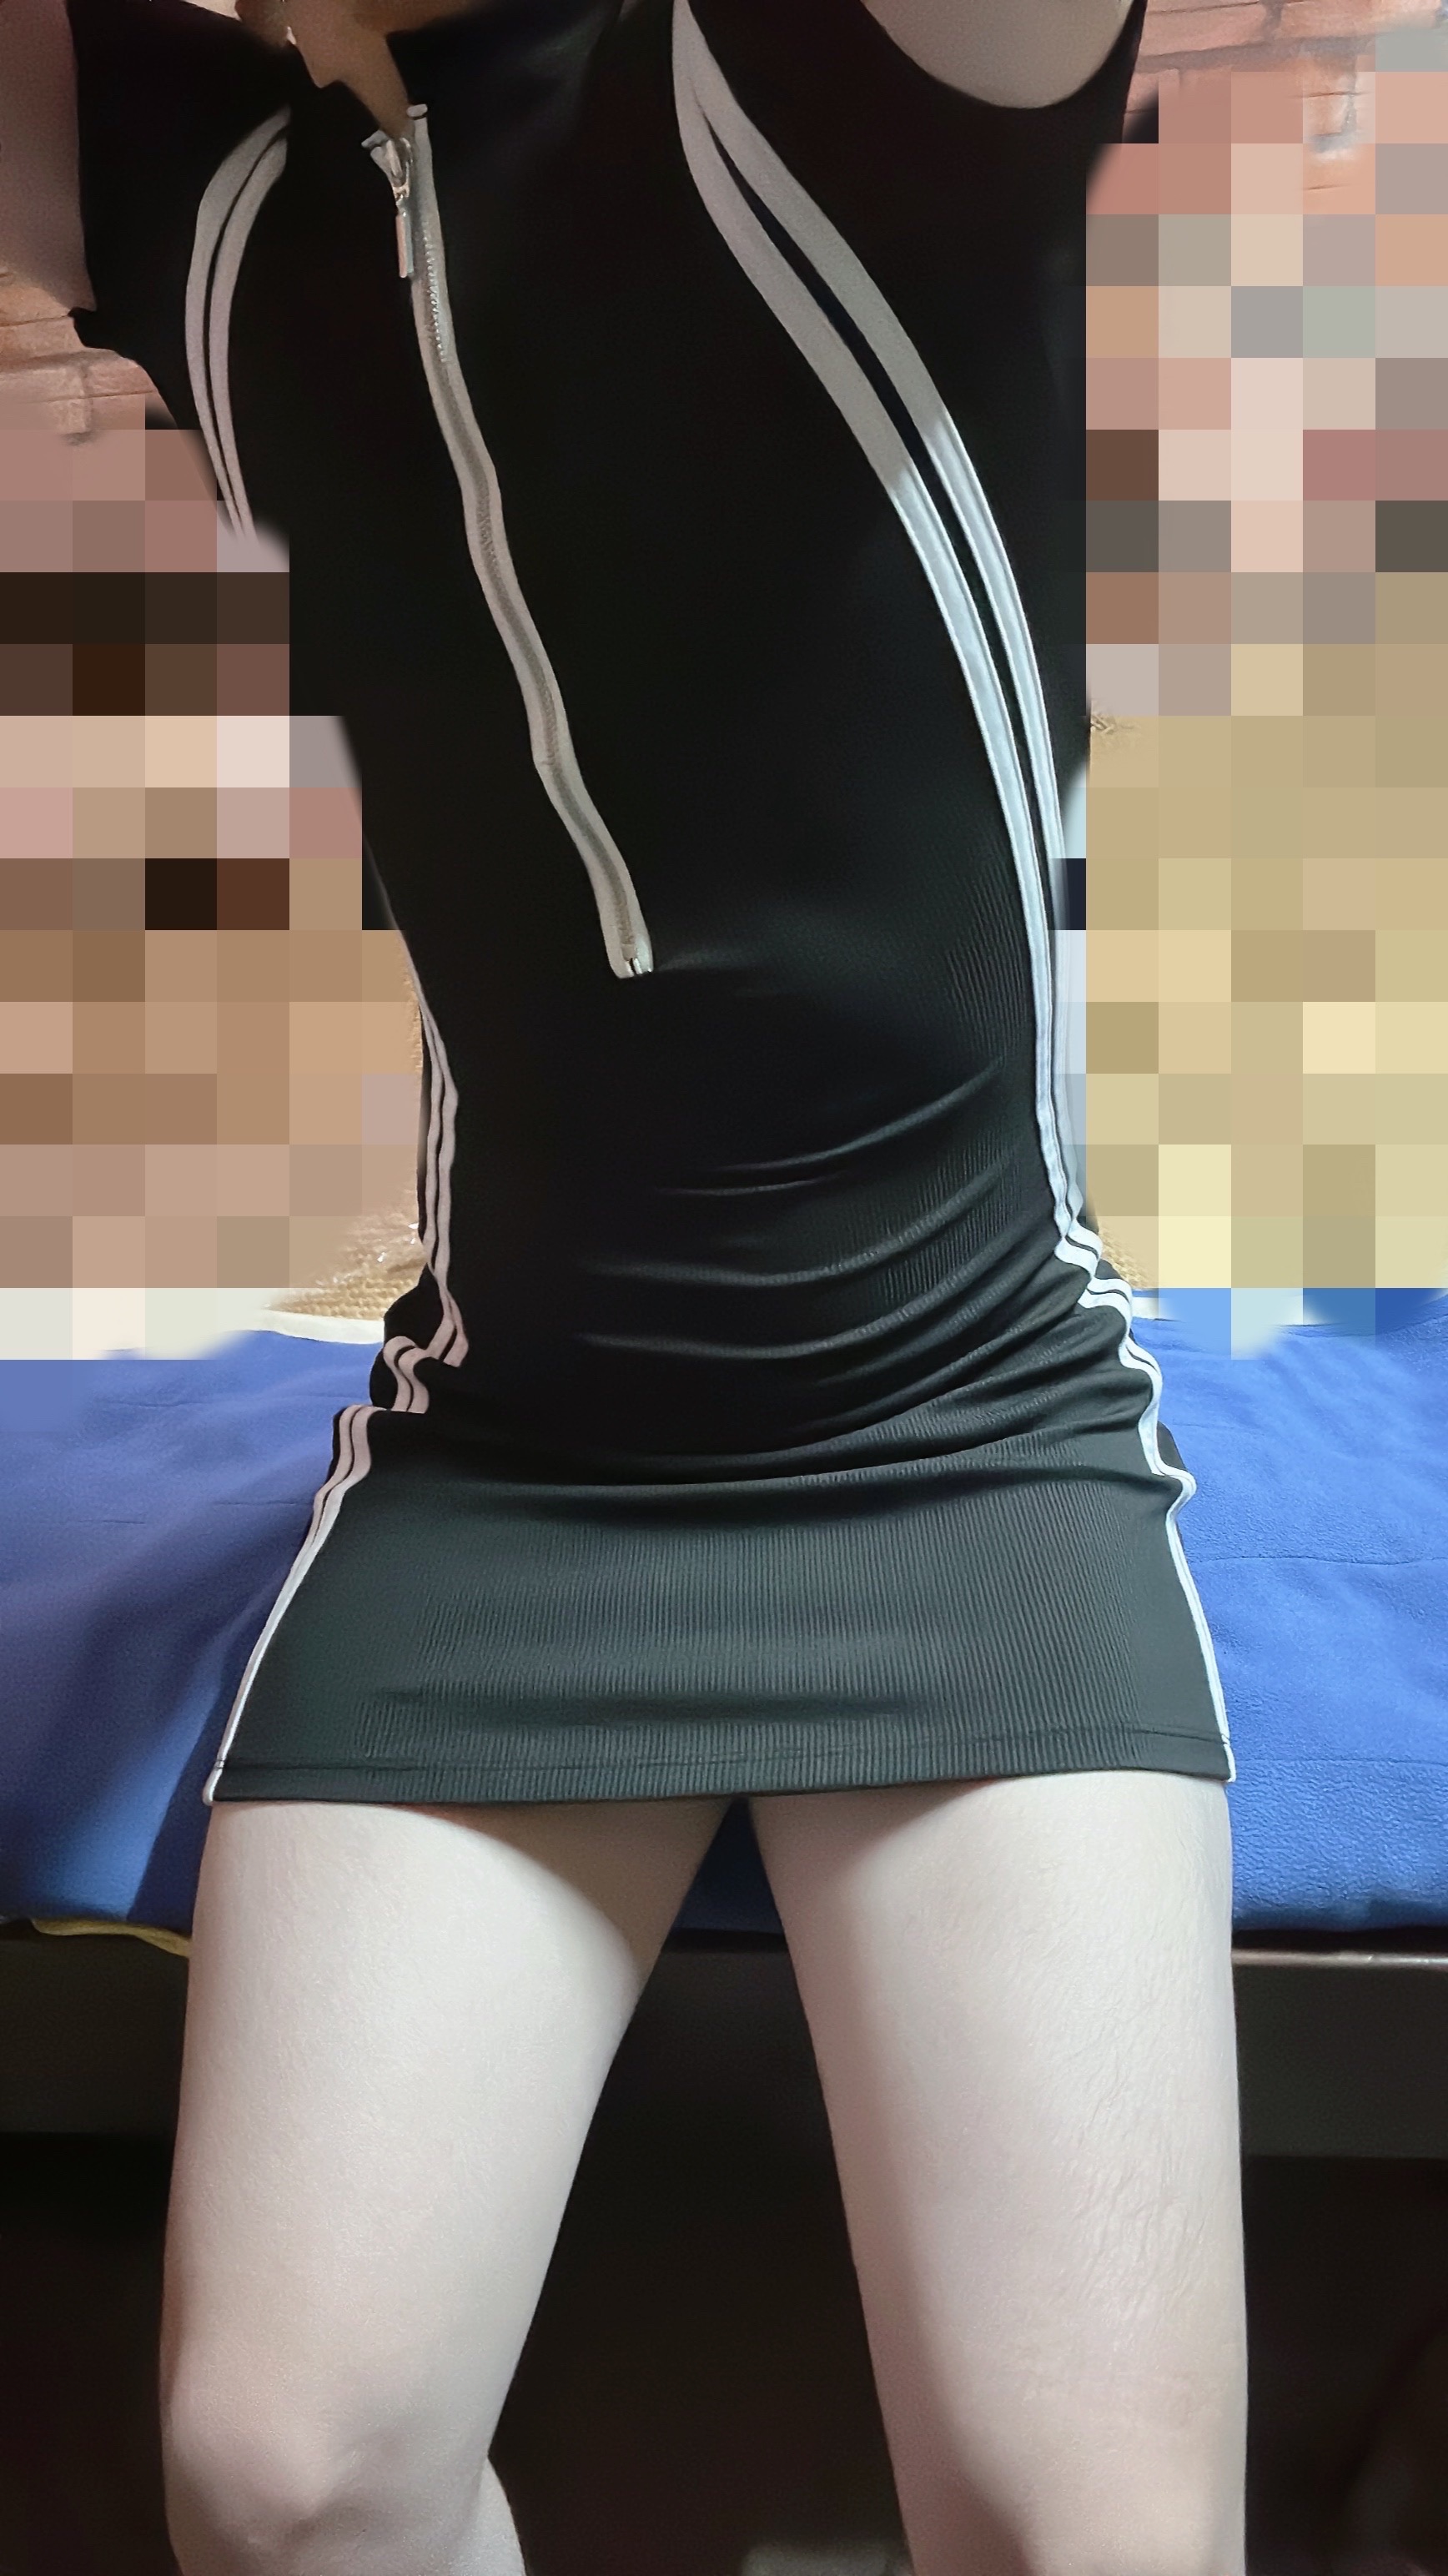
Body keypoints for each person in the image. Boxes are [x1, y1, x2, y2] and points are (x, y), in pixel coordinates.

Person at [0, 0, 1249, 2567]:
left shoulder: (827, 81)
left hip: (962, 1440)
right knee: (286, 2475)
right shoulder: (220, 198)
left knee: (1092, 2534)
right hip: (519, 1456)